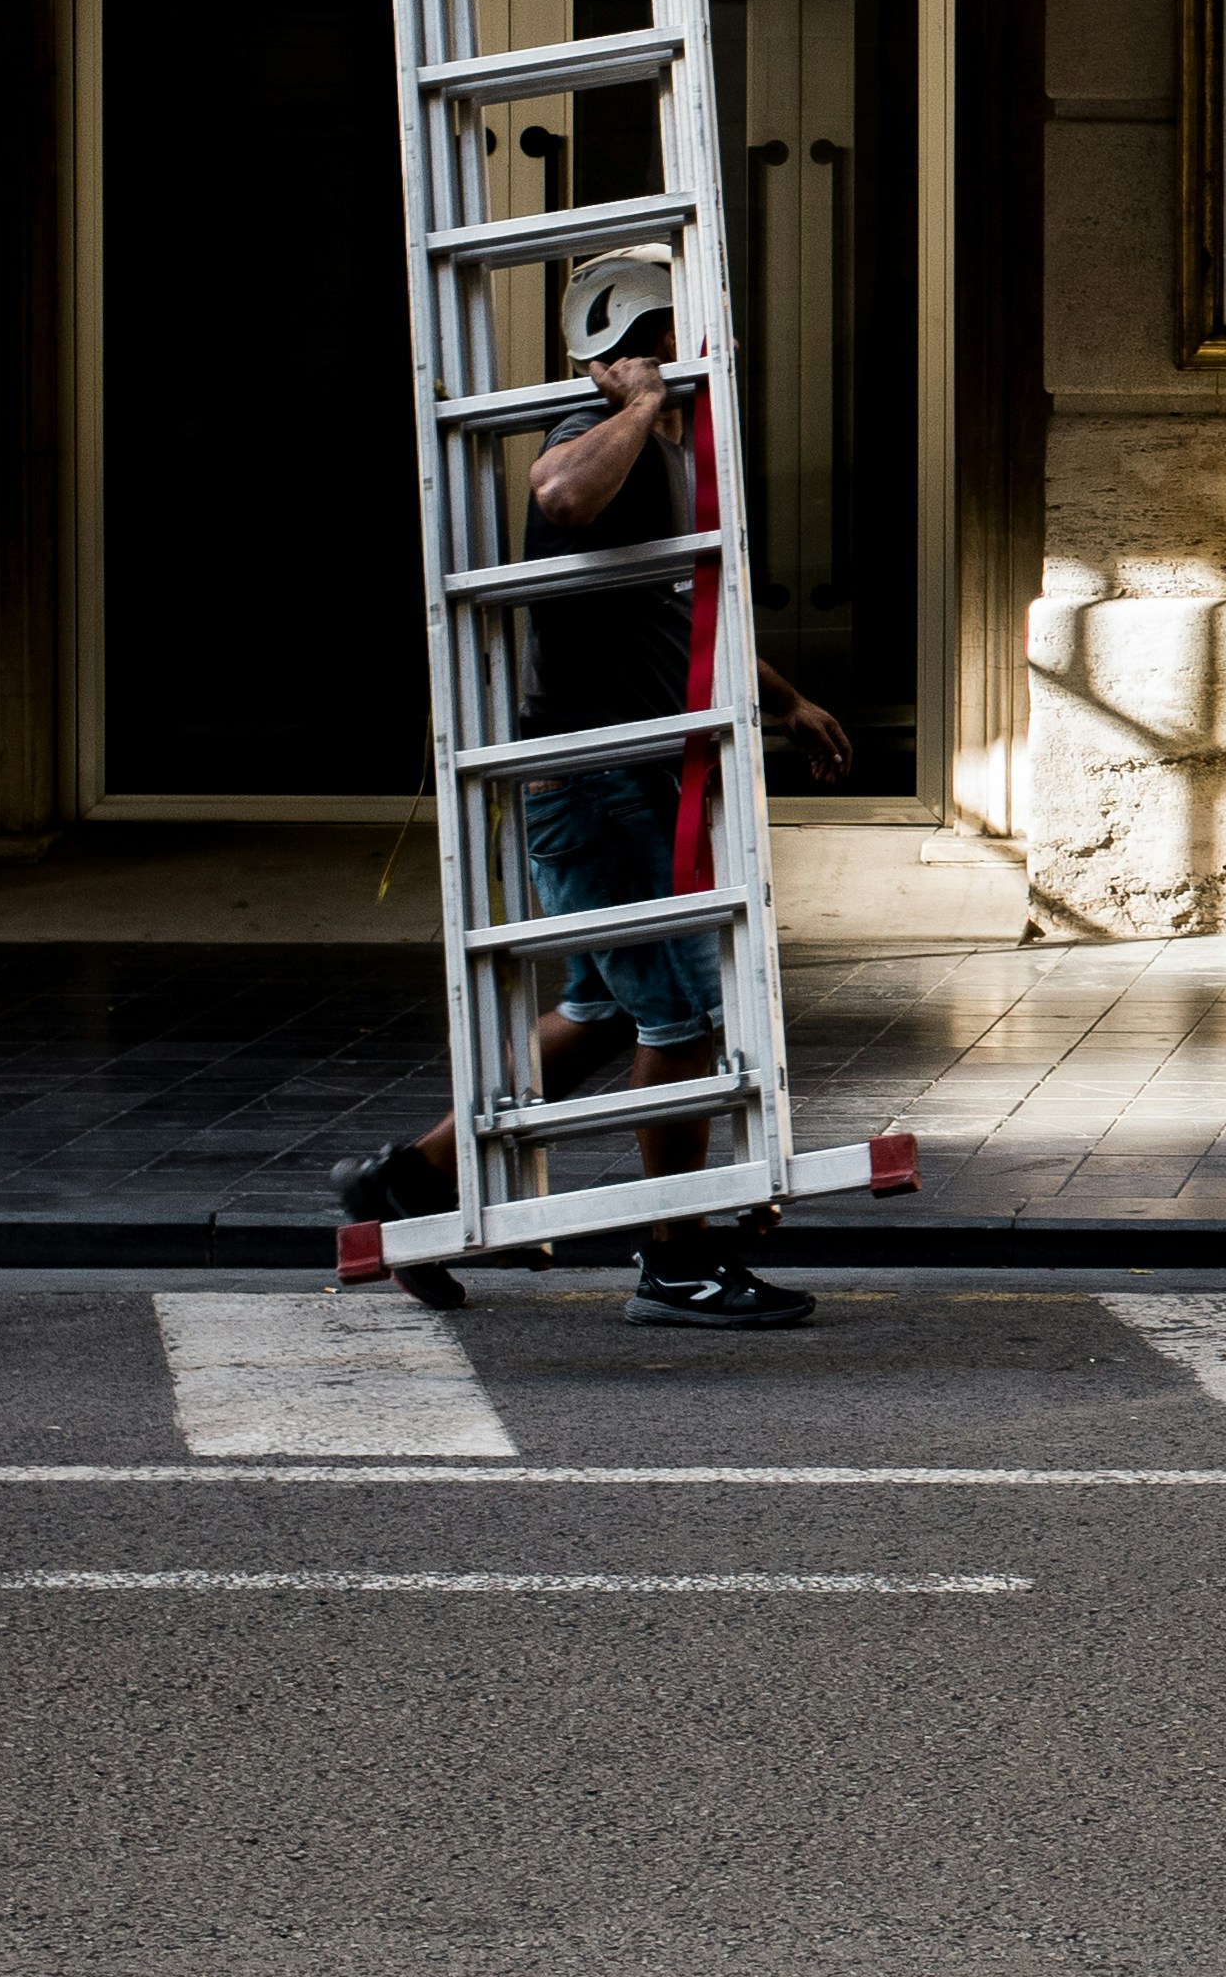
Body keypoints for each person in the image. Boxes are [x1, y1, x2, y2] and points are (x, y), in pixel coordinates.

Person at [336, 256, 853, 1325]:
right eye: (687, 331)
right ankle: (675, 1260)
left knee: (608, 1009)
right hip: (599, 779)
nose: (716, 347)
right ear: (640, 347)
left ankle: (410, 1180)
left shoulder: (657, 454)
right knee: (683, 1017)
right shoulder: (598, 432)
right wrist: (641, 402)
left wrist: (786, 701)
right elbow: (559, 492)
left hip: (620, 777)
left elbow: (678, 612)